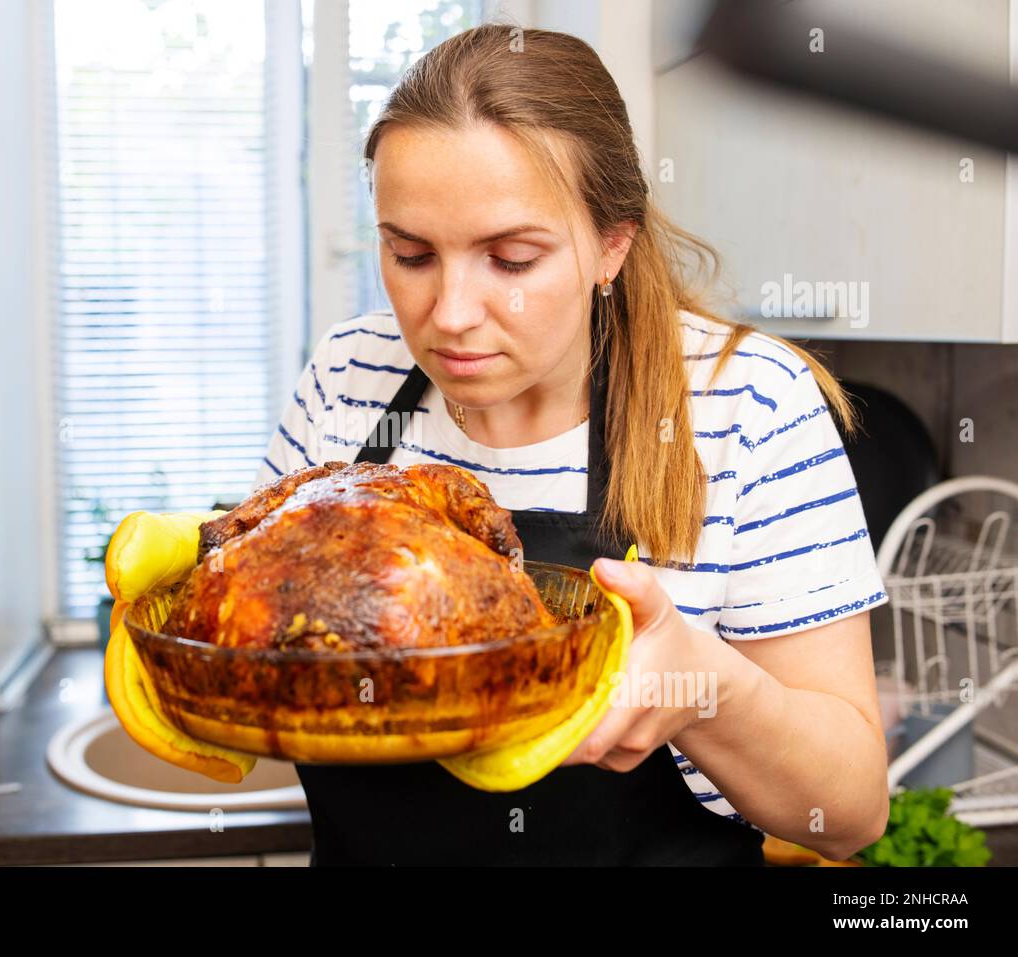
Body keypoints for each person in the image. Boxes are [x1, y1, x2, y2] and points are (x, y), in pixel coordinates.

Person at [253, 24, 890, 865]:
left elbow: (847, 810)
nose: (448, 314)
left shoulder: (748, 404)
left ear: (611, 245)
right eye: (409, 253)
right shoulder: (349, 374)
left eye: (511, 260)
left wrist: (708, 689)